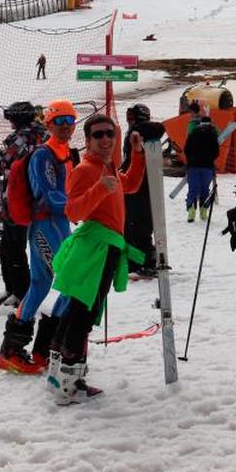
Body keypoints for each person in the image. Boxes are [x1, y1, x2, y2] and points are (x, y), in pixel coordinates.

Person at [47, 116, 145, 403]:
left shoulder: (107, 166)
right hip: (95, 248)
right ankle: (68, 385)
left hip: (105, 246)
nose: (105, 140)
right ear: (88, 140)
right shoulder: (85, 169)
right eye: (98, 135)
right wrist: (100, 188)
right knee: (83, 313)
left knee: (79, 310)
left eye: (110, 134)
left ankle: (59, 378)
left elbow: (131, 185)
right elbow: (73, 211)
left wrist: (137, 154)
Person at [0, 99, 79, 374]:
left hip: (59, 223)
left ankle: (37, 350)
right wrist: (78, 203)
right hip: (46, 224)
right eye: (60, 121)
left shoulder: (64, 151)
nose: (66, 127)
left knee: (42, 284)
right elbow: (47, 193)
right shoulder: (45, 154)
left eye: (70, 121)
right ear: (49, 123)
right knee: (71, 281)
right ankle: (39, 348)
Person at [0, 101, 47, 305]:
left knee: (13, 248)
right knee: (10, 246)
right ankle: (13, 288)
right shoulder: (44, 135)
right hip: (33, 198)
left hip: (17, 198)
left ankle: (20, 291)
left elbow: (5, 163)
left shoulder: (23, 138)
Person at [122, 104, 158, 277]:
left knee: (136, 225)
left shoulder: (138, 134)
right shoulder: (146, 134)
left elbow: (132, 160)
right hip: (142, 185)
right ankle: (140, 260)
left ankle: (142, 261)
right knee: (136, 225)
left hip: (138, 187)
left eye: (131, 117)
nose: (129, 121)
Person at [184, 116, 220, 222]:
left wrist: (191, 160)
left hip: (193, 166)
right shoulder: (213, 134)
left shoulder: (193, 133)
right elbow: (216, 152)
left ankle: (191, 211)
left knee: (192, 189)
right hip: (207, 166)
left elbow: (186, 149)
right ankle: (203, 211)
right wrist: (210, 159)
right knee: (205, 189)